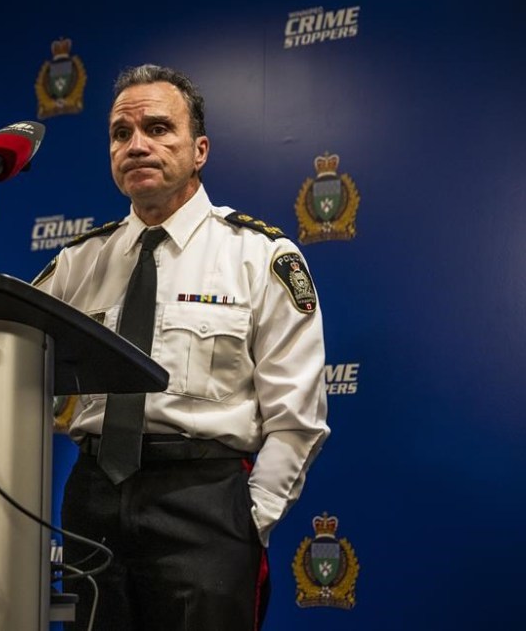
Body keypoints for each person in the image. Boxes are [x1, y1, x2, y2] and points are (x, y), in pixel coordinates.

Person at [33, 64, 329, 631]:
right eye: (122, 134)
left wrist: (248, 520)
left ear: (199, 150)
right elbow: (11, 363)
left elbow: (298, 422)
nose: (137, 145)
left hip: (203, 502)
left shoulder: (261, 257)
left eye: (158, 129)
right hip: (92, 499)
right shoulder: (78, 262)